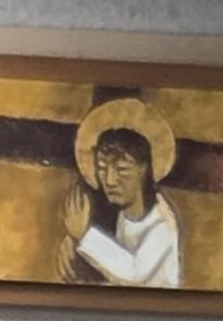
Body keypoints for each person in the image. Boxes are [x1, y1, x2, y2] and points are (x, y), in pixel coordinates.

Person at [55, 100, 183, 288]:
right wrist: (75, 250)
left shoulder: (161, 225)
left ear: (144, 170)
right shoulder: (122, 215)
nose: (109, 180)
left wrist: (84, 236)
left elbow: (134, 273)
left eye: (122, 169)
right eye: (101, 168)